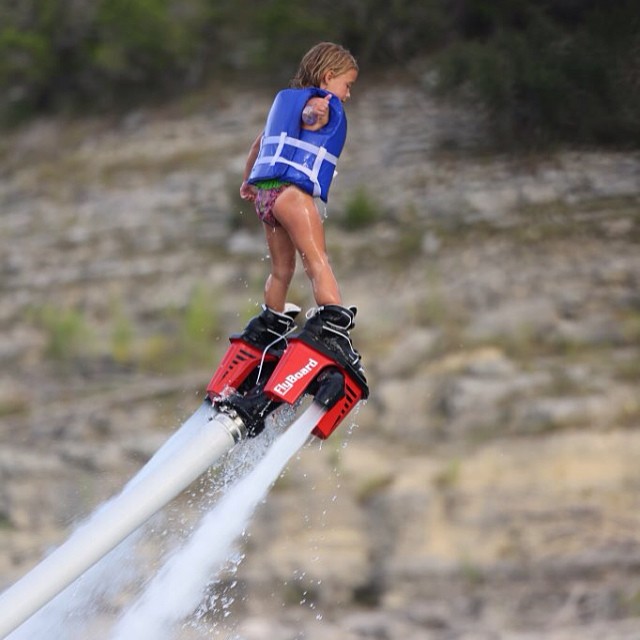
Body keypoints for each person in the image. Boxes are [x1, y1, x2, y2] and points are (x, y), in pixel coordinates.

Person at [237, 42, 363, 372]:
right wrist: (317, 113)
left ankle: (270, 326)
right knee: (317, 260)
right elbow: (312, 116)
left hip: (266, 194)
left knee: (281, 270)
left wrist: (248, 181)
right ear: (328, 76)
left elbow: (257, 145)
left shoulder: (284, 108)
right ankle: (334, 324)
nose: (347, 95)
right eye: (346, 85)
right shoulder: (319, 105)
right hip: (291, 195)